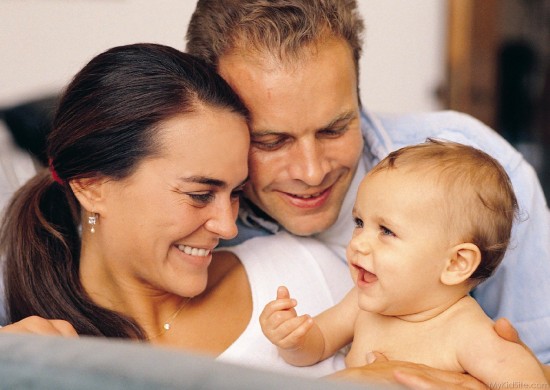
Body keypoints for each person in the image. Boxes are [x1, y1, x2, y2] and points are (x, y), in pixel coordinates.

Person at [185, 0, 550, 367]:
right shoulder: (199, 225)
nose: (311, 173)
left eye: (334, 129)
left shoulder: (481, 175)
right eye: (271, 142)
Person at [0, 43, 357, 379]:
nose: (228, 226)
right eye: (200, 194)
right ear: (91, 186)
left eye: (235, 193)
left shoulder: (301, 272)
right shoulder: (38, 353)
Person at [260, 140, 547, 387]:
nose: (358, 242)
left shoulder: (469, 335)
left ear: (456, 263)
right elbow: (317, 346)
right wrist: (294, 340)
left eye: (386, 231)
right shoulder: (361, 304)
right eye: (360, 223)